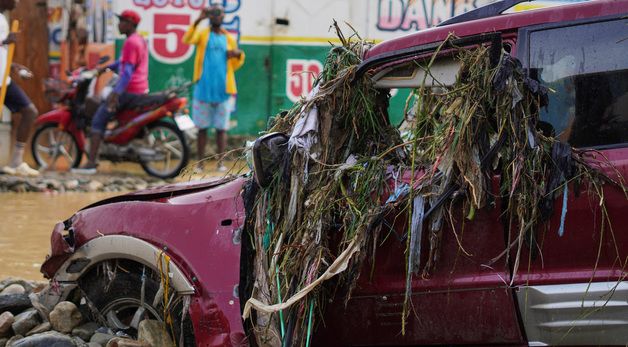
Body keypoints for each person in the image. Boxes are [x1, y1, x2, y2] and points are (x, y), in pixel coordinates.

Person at [73, 9, 148, 174]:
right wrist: (103, 69)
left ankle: (91, 163)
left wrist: (116, 94)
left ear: (129, 24)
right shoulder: (138, 39)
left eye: (121, 21)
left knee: (98, 120)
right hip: (140, 89)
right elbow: (123, 63)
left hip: (129, 90)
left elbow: (127, 73)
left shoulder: (130, 43)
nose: (118, 24)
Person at [183, 4, 244, 172]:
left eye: (220, 13)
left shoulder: (229, 38)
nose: (217, 16)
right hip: (203, 89)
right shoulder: (203, 34)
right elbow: (188, 39)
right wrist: (198, 20)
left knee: (221, 129)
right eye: (214, 13)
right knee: (202, 129)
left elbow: (236, 63)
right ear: (209, 16)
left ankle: (221, 163)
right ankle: (200, 163)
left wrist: (238, 54)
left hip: (223, 91)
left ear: (224, 17)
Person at [0, 0, 39, 176]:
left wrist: (13, 66)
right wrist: (4, 40)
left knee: (29, 111)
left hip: (3, 80)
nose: (17, 1)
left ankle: (16, 161)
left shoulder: (3, 18)